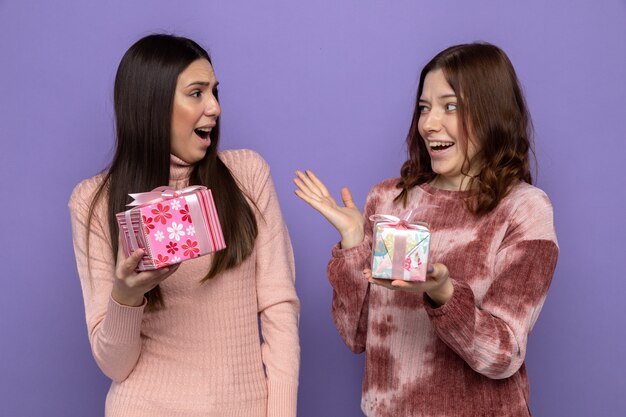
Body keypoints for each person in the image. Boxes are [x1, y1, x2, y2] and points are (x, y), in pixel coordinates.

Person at [294, 42, 558, 416]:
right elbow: (357, 337)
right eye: (424, 107)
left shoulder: (524, 210)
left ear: (492, 112)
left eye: (450, 106)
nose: (429, 123)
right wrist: (353, 241)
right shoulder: (389, 201)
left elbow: (502, 354)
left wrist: (443, 293)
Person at [68, 34, 300, 417]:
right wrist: (125, 295)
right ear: (152, 105)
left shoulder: (247, 175)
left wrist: (281, 411)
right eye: (196, 93)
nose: (214, 107)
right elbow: (115, 365)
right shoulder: (92, 202)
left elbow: (279, 306)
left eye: (214, 92)